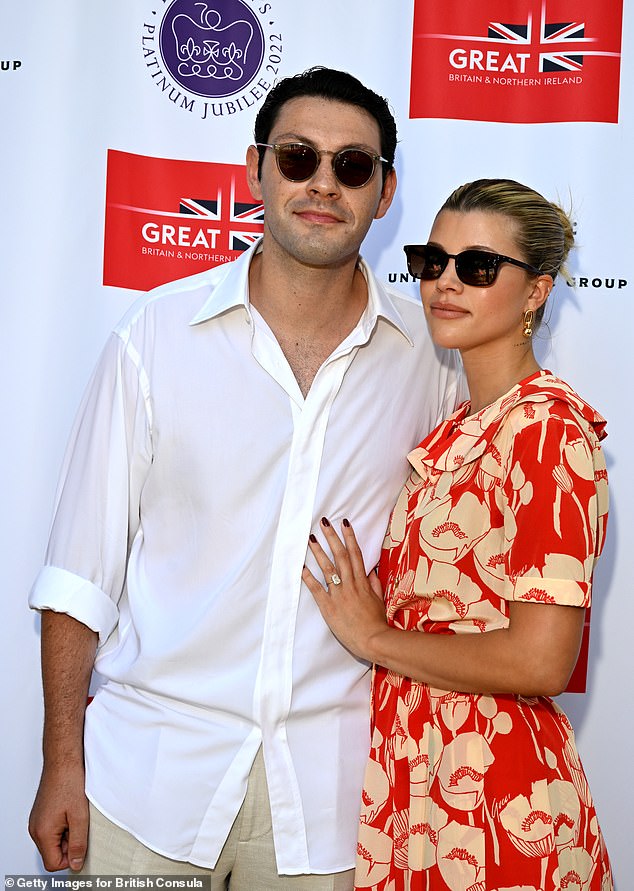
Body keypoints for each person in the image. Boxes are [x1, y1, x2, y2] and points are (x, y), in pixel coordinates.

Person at [27, 67, 461, 888]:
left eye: (352, 166)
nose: (323, 184)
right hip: (145, 784)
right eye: (298, 159)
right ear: (255, 169)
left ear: (385, 190)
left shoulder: (428, 361)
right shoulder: (152, 337)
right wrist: (60, 765)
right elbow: (79, 576)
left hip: (332, 805)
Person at [303, 178, 613, 889]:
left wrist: (374, 636)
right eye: (431, 259)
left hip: (497, 796)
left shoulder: (546, 427)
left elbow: (541, 660)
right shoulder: (460, 427)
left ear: (536, 292)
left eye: (477, 267)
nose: (445, 282)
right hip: (416, 781)